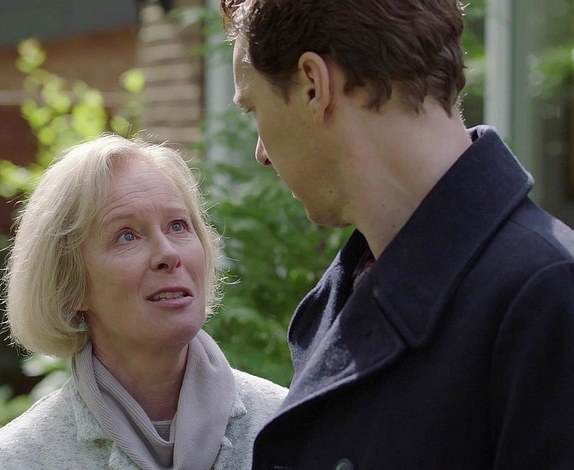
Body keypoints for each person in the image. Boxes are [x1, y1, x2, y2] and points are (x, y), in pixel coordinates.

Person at [220, 0, 574, 468]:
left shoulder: (549, 297)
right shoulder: (345, 294)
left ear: (313, 85)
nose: (261, 153)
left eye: (253, 109)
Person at [0, 134, 286, 470]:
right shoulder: (21, 458)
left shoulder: (287, 426)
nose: (168, 253)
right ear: (70, 284)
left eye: (178, 225)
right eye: (127, 235)